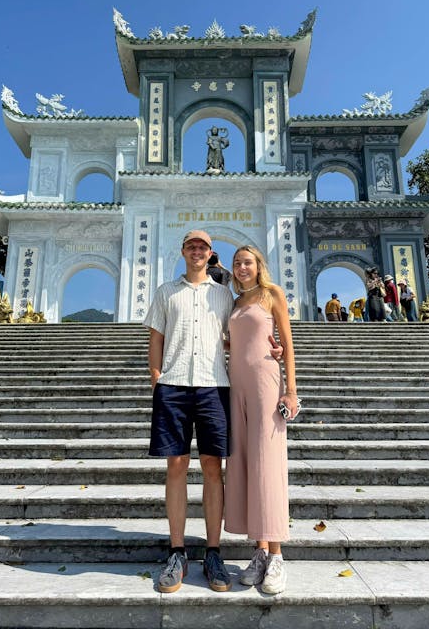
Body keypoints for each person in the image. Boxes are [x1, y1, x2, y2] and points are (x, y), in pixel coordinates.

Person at [144, 229, 234, 593]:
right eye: (191, 245)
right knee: (176, 465)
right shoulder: (166, 291)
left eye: (203, 246)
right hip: (174, 384)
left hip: (215, 385)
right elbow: (156, 338)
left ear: (211, 254)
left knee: (214, 466)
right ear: (182, 251)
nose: (197, 251)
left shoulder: (223, 295)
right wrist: (156, 379)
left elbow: (235, 335)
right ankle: (177, 550)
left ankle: (214, 551)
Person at [224, 245, 299, 595]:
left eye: (247, 262)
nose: (242, 267)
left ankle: (278, 555)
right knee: (244, 464)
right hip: (234, 386)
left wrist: (291, 391)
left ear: (259, 266)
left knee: (267, 465)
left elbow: (287, 342)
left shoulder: (272, 295)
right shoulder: (235, 303)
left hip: (266, 385)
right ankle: (259, 551)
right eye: (237, 263)